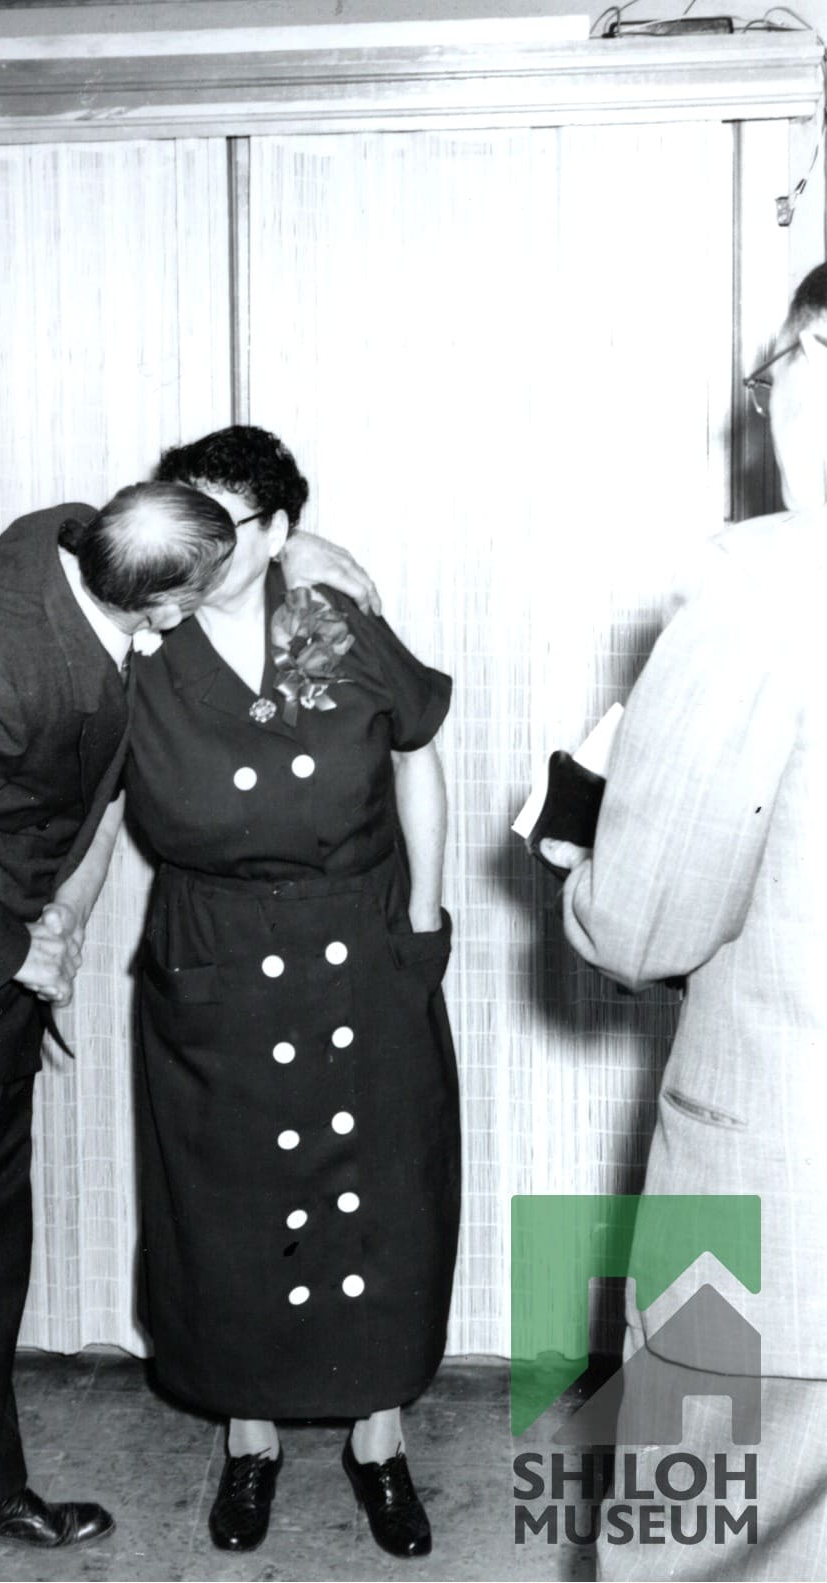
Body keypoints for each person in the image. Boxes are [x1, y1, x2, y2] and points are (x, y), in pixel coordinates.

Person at [0, 475, 376, 1583]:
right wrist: (9, 946)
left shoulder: (71, 534)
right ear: (157, 607)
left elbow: (185, 528)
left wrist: (310, 558)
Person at [49, 426, 461, 1557]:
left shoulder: (329, 621)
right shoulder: (145, 635)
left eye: (234, 526)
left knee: (379, 1197)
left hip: (357, 939)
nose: (203, 546)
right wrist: (64, 931)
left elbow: (413, 745)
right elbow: (101, 809)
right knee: (228, 1203)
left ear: (280, 532)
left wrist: (425, 911)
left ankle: (378, 1443)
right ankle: (251, 1440)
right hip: (214, 955)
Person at [542, 264, 827, 1579]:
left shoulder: (765, 583)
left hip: (782, 1196)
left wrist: (582, 841)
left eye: (767, 380)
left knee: (698, 1541)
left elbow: (640, 927)